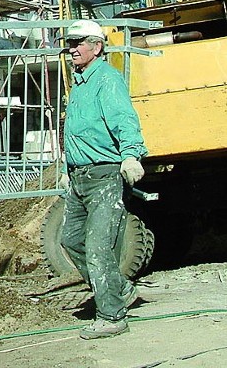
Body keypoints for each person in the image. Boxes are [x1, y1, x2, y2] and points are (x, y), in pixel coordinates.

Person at [61, 19, 147, 339]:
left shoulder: (106, 80)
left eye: (78, 43)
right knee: (71, 239)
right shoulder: (81, 83)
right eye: (69, 43)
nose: (71, 49)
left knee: (98, 247)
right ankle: (119, 288)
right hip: (79, 177)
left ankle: (112, 316)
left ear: (96, 47)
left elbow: (124, 118)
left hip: (105, 176)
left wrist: (131, 153)